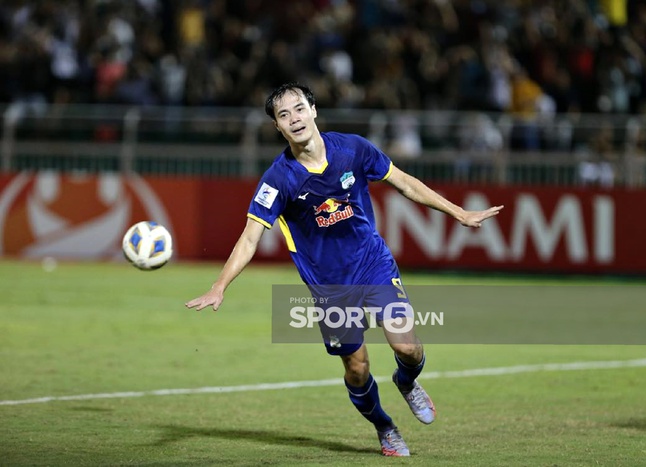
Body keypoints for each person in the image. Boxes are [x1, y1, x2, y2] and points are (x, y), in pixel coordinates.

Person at [185, 82, 504, 457]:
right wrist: (219, 285)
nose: (294, 118)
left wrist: (459, 212)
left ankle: (407, 381)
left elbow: (404, 183)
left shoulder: (352, 149)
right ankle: (385, 427)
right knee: (357, 368)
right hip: (330, 286)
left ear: (314, 110)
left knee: (408, 347)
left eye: (299, 109)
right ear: (277, 127)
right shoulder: (278, 179)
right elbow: (250, 237)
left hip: (372, 262)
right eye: (284, 115)